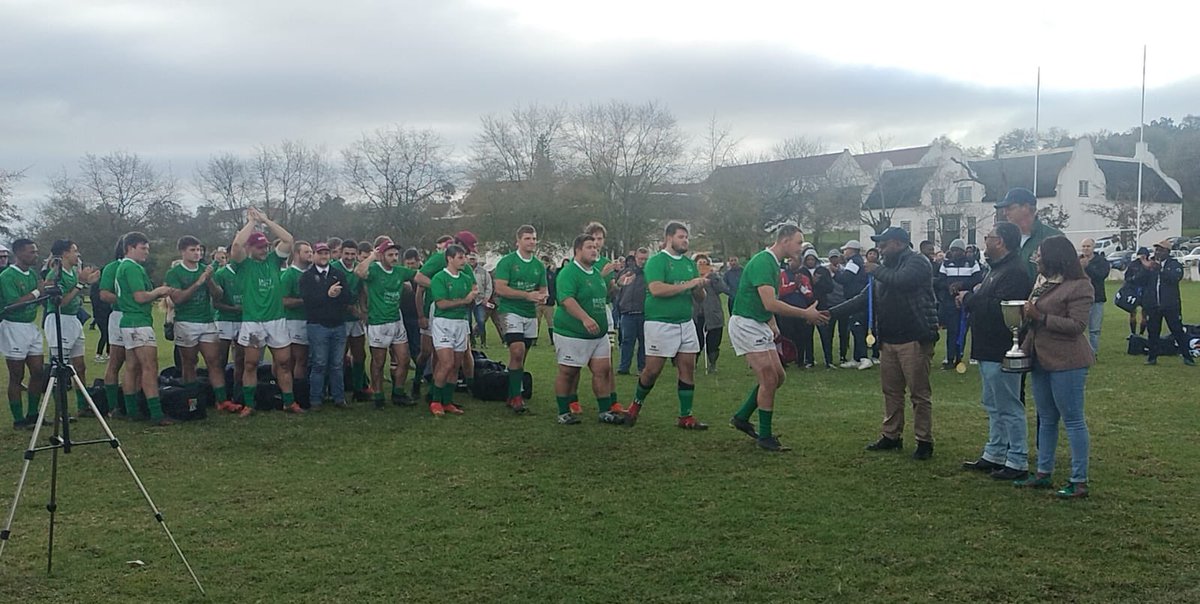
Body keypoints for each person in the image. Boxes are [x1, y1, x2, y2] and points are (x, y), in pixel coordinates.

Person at [828, 227, 940, 460]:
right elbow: (863, 299)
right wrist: (828, 314)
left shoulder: (918, 263)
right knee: (891, 391)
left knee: (918, 393)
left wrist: (876, 270)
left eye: (884, 244)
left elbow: (902, 281)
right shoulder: (885, 269)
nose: (879, 249)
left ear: (898, 244)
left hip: (914, 338)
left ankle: (924, 440)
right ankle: (891, 435)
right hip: (888, 339)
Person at [727, 225, 829, 452]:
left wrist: (771, 322)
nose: (801, 248)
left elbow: (766, 301)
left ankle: (742, 417)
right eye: (798, 242)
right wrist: (806, 314)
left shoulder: (774, 263)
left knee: (779, 377)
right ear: (784, 240)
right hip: (746, 324)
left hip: (759, 323)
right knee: (769, 379)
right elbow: (770, 302)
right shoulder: (764, 262)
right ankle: (765, 436)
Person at [1015, 236, 1094, 498]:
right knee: (1046, 419)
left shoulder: (1079, 286)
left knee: (1073, 420)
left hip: (1068, 361)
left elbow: (1077, 327)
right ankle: (1043, 472)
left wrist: (1041, 317)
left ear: (1055, 257)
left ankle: (1079, 480)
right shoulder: (1043, 284)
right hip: (1040, 359)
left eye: (1040, 255)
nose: (1037, 259)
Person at [957, 222, 1033, 480]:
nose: (985, 241)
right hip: (988, 347)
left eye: (988, 237)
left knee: (1009, 405)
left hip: (1002, 347)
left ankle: (1018, 459)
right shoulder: (997, 269)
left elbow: (999, 307)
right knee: (993, 403)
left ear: (1000, 241)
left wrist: (969, 299)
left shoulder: (1014, 272)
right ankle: (995, 452)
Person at [623, 222, 708, 429]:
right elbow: (657, 289)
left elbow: (700, 297)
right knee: (652, 370)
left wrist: (699, 287)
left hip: (685, 323)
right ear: (669, 238)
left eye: (687, 237)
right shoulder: (657, 261)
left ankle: (685, 416)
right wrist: (688, 284)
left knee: (688, 367)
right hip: (660, 323)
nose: (685, 241)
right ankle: (634, 407)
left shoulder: (689, 264)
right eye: (681, 237)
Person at [230, 208, 301, 415]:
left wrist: (266, 220)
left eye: (266, 246)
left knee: (284, 363)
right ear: (250, 247)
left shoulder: (273, 261)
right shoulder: (244, 264)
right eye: (260, 247)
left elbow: (288, 239)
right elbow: (236, 244)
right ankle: (249, 404)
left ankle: (289, 401)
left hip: (276, 320)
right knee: (250, 364)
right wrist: (251, 222)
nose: (264, 250)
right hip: (253, 321)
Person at [551, 234, 621, 425]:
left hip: (597, 335)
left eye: (596, 248)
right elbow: (566, 299)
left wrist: (619, 286)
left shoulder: (596, 274)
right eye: (589, 247)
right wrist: (585, 318)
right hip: (572, 333)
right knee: (568, 372)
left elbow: (601, 297)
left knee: (603, 370)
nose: (594, 250)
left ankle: (605, 410)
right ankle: (564, 412)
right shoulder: (568, 273)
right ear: (577, 250)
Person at [164, 236, 233, 412]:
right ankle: (192, 401)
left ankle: (221, 400)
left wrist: (209, 280)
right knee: (189, 362)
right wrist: (198, 282)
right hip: (186, 322)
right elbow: (178, 299)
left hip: (207, 321)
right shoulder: (174, 273)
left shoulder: (206, 269)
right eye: (193, 250)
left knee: (214, 361)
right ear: (183, 251)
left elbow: (218, 295)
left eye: (199, 250)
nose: (197, 253)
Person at [114, 232, 176, 425]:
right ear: (130, 248)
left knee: (132, 366)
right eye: (143, 248)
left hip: (129, 321)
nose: (147, 252)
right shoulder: (131, 268)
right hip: (138, 322)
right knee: (149, 366)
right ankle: (156, 413)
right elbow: (140, 297)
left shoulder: (123, 267)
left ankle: (132, 410)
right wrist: (158, 291)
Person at [355, 239, 422, 408]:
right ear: (382, 256)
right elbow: (359, 272)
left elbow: (420, 276)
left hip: (396, 320)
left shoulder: (399, 271)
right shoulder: (375, 270)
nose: (394, 258)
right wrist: (372, 257)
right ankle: (378, 396)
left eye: (396, 255)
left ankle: (398, 393)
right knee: (378, 362)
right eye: (390, 254)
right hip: (378, 322)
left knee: (404, 359)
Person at [41, 240, 101, 418]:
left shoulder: (74, 271)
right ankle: (61, 411)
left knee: (80, 366)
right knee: (59, 367)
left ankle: (83, 406)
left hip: (73, 320)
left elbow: (75, 295)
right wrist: (80, 284)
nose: (78, 254)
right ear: (65, 254)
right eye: (75, 251)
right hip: (59, 320)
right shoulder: (55, 273)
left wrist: (87, 282)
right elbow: (61, 302)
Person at [493, 225, 548, 413]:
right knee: (517, 351)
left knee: (521, 356)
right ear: (518, 241)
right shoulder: (507, 262)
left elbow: (543, 289)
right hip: (510, 311)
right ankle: (516, 397)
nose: (532, 241)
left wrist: (542, 296)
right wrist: (526, 295)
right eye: (527, 238)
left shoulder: (539, 265)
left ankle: (512, 392)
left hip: (529, 314)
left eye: (534, 238)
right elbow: (500, 288)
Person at [1, 239, 51, 428]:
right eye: (32, 252)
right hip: (13, 326)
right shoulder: (7, 276)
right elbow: (13, 304)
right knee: (17, 375)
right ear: (19, 253)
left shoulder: (32, 274)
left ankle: (33, 413)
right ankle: (18, 419)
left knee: (38, 371)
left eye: (36, 252)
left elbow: (36, 299)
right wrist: (38, 292)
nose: (35, 255)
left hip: (30, 326)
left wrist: (44, 293)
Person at [299, 242, 353, 408]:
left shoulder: (338, 274)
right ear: (314, 255)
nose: (323, 257)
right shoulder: (307, 277)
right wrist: (327, 294)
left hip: (338, 324)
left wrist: (339, 295)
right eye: (320, 253)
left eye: (326, 254)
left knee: (337, 364)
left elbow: (348, 298)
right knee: (319, 363)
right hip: (318, 325)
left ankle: (338, 397)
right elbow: (308, 300)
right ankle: (316, 398)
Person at [427, 244, 476, 416]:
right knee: (446, 363)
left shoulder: (466, 279)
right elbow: (441, 304)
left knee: (455, 365)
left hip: (461, 323)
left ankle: (447, 401)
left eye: (465, 257)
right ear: (450, 258)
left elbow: (472, 296)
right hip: (443, 323)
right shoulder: (439, 278)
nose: (464, 261)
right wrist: (464, 300)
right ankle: (435, 401)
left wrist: (473, 298)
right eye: (460, 257)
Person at [1134, 240, 1194, 366]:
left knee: (1177, 330)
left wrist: (1160, 269)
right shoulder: (1151, 265)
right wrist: (1145, 268)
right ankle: (1152, 357)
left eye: (1161, 250)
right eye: (1156, 250)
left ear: (1167, 252)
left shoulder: (1174, 264)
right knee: (1153, 332)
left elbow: (1174, 278)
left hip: (1170, 305)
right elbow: (1139, 280)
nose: (1158, 253)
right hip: (1153, 304)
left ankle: (1187, 356)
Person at [993, 187, 1063, 280]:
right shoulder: (1005, 239)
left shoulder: (1054, 238)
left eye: (1009, 208)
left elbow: (1062, 277)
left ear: (1025, 207)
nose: (1005, 213)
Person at [936, 238, 982, 369]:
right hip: (951, 302)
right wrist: (949, 286)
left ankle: (963, 357)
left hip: (968, 301)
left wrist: (962, 285)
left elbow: (978, 279)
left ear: (963, 252)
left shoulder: (972, 263)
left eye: (958, 250)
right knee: (952, 330)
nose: (955, 253)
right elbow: (940, 281)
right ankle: (950, 358)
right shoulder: (946, 264)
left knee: (967, 330)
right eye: (953, 250)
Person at [333, 239, 369, 401]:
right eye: (346, 253)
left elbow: (361, 290)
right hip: (340, 317)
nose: (349, 257)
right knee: (339, 356)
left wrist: (363, 309)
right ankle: (337, 390)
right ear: (341, 252)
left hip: (355, 318)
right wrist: (351, 309)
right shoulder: (334, 268)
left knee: (360, 354)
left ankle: (358, 388)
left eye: (352, 254)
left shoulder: (358, 268)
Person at [280, 240, 313, 400]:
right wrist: (305, 301)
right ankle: (297, 393)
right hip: (294, 321)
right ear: (297, 254)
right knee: (298, 358)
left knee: (301, 358)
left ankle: (295, 391)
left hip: (308, 320)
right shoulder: (289, 275)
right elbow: (283, 300)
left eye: (311, 252)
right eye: (307, 252)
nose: (310, 255)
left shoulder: (311, 273)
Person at [212, 249, 245, 403]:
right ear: (231, 254)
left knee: (240, 359)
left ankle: (237, 396)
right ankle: (220, 396)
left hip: (243, 320)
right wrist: (234, 309)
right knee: (220, 359)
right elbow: (216, 303)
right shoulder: (221, 273)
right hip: (224, 319)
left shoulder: (248, 271)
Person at [835, 240, 870, 369]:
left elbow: (845, 279)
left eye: (846, 250)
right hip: (857, 297)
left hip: (855, 298)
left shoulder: (854, 262)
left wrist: (835, 273)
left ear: (852, 250)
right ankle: (856, 357)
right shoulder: (858, 261)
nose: (844, 253)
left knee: (857, 328)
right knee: (856, 328)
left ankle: (864, 357)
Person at [692, 253, 729, 374]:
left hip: (713, 312)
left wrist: (715, 277)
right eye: (699, 264)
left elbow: (724, 289)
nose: (702, 266)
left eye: (704, 263)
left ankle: (713, 363)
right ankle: (694, 364)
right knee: (696, 340)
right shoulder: (691, 277)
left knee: (714, 340)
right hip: (696, 314)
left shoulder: (714, 277)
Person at [614, 248, 649, 375]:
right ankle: (624, 367)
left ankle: (642, 368)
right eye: (641, 259)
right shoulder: (626, 272)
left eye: (645, 259)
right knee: (627, 341)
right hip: (627, 312)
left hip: (644, 312)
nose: (643, 262)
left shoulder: (649, 274)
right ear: (635, 258)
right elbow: (617, 287)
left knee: (644, 342)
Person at [800, 249, 835, 368]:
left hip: (822, 306)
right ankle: (809, 360)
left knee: (825, 334)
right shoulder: (801, 272)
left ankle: (828, 361)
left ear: (816, 259)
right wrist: (810, 282)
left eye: (812, 259)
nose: (810, 261)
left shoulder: (823, 271)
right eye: (808, 259)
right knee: (807, 335)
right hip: (807, 306)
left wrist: (818, 283)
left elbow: (830, 287)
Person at [1080, 238, 1109, 355]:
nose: (1086, 249)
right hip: (1080, 299)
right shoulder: (1077, 261)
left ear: (1093, 247)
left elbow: (1101, 276)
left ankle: (1093, 353)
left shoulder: (1101, 261)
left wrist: (1088, 267)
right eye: (1084, 246)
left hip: (1097, 299)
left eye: (1088, 246)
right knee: (1080, 328)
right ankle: (1081, 352)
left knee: (1094, 329)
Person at [823, 249, 847, 368]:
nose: (834, 260)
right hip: (830, 305)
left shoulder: (844, 270)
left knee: (843, 333)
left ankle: (843, 356)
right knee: (829, 333)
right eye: (832, 258)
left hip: (843, 304)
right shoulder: (825, 271)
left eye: (836, 257)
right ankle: (829, 360)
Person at [470, 254, 494, 348]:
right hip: (467, 301)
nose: (472, 261)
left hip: (480, 301)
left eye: (473, 259)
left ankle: (483, 343)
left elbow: (489, 286)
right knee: (468, 322)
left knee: (481, 321)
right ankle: (472, 343)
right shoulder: (464, 270)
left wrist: (486, 298)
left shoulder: (484, 272)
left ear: (476, 259)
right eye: (470, 259)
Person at [538, 255, 557, 344]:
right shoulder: (536, 274)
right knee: (536, 322)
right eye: (542, 263)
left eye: (545, 263)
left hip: (549, 303)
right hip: (537, 302)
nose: (543, 265)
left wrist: (553, 298)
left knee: (550, 322)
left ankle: (552, 340)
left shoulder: (552, 275)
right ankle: (533, 340)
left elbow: (555, 288)